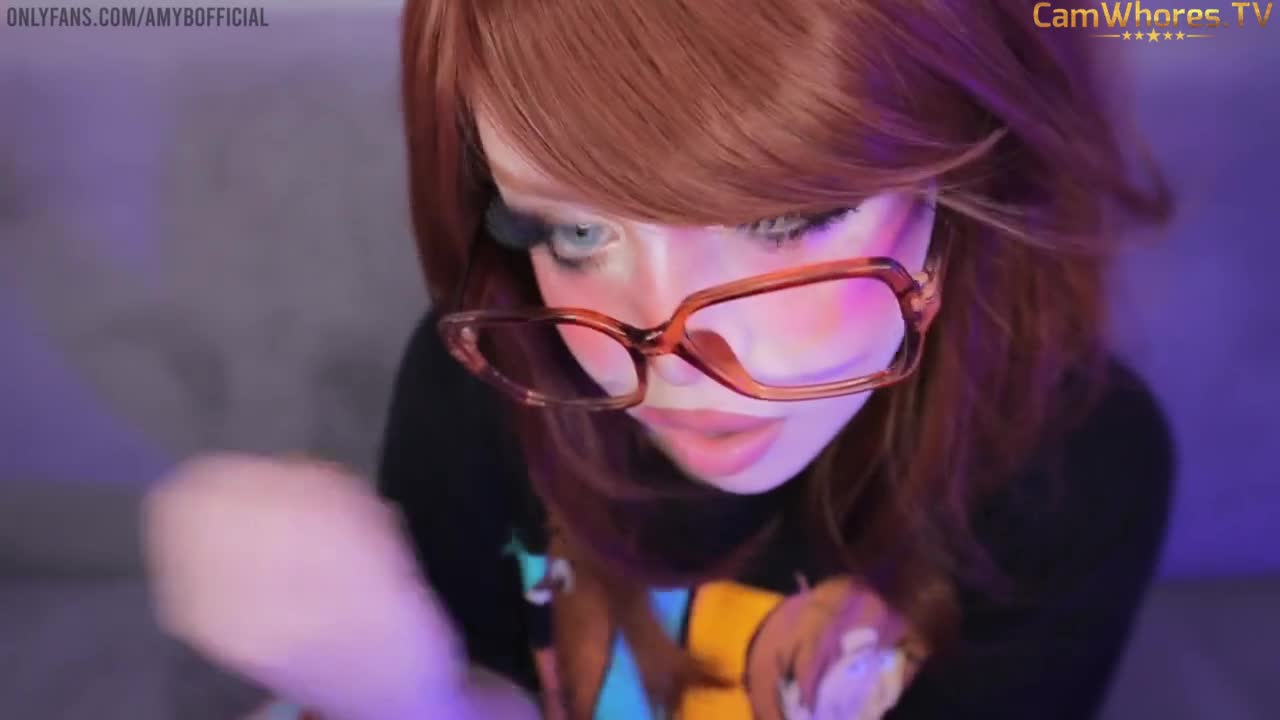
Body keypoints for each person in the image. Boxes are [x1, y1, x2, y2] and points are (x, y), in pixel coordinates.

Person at [143, 1, 1178, 718]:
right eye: (574, 233)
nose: (666, 351)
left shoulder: (1075, 463)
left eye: (784, 217)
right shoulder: (487, 385)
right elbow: (466, 679)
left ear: (966, 180)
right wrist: (398, 692)